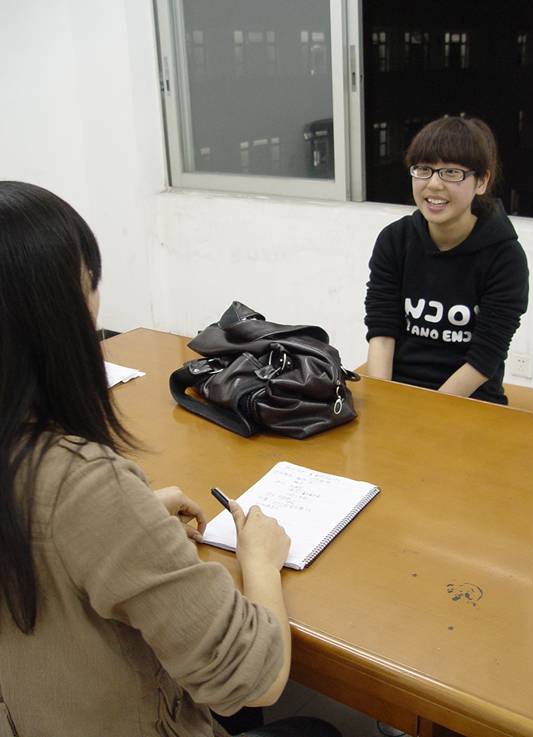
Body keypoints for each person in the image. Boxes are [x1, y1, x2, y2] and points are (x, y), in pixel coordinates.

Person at [0, 181, 341, 737]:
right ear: (56, 312)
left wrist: (130, 522)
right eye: (90, 281)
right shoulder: (82, 481)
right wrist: (259, 560)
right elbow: (254, 679)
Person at [364, 116, 529, 405]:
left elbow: (485, 356)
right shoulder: (394, 240)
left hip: (470, 400)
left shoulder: (505, 257)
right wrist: (382, 400)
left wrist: (432, 411)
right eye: (423, 169)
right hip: (399, 391)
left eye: (451, 172)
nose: (434, 184)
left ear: (481, 181)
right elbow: (382, 331)